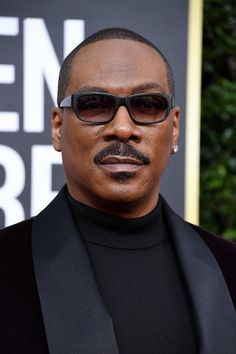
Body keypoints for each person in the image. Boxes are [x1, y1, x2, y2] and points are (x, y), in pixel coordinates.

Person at [0, 27, 235, 354]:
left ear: (175, 127)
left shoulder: (229, 267)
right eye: (94, 105)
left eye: (148, 105)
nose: (123, 128)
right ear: (57, 127)